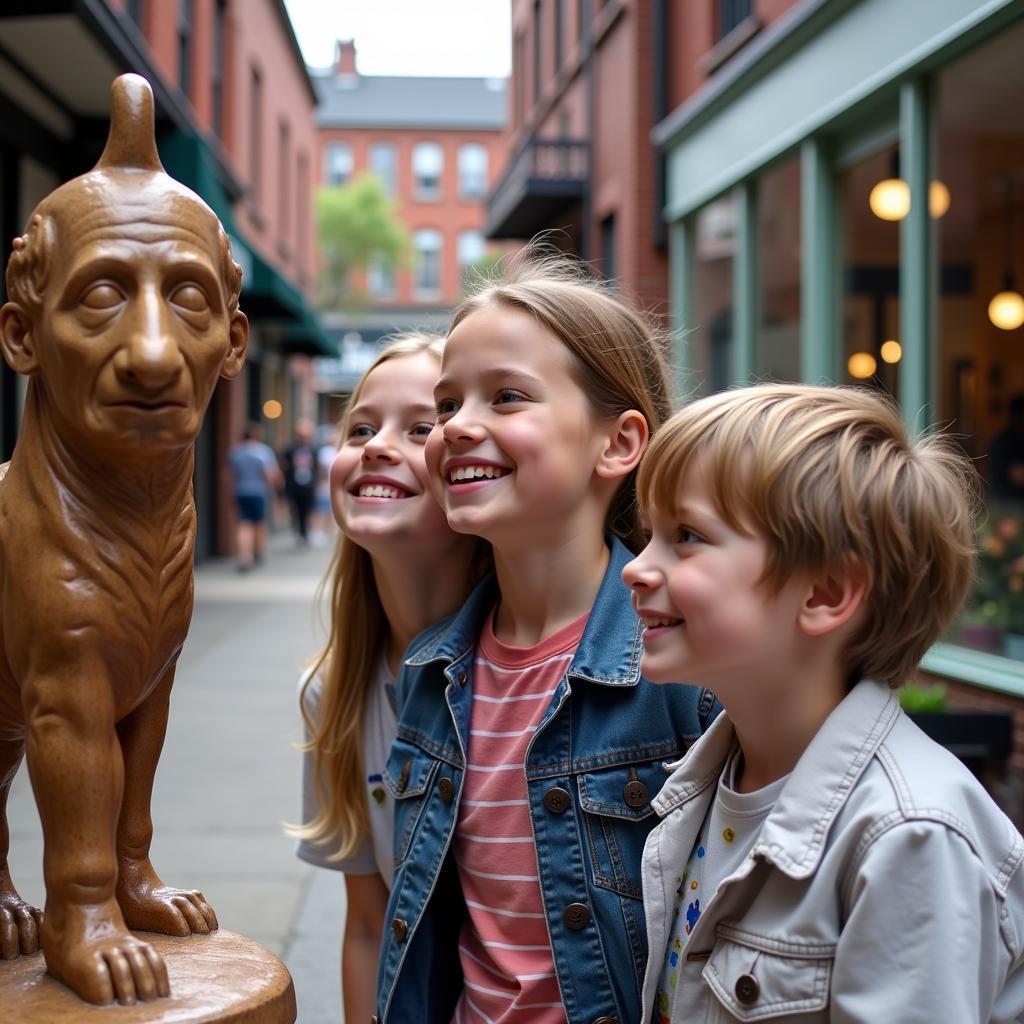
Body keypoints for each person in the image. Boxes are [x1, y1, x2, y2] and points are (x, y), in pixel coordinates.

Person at [374, 251, 718, 1024]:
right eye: (448, 402)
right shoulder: (431, 671)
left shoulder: (688, 667)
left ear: (618, 444)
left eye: (505, 397)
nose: (458, 426)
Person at [621, 383, 1024, 1024]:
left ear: (826, 593)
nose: (636, 568)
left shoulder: (911, 837)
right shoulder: (706, 783)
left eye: (687, 536)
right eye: (650, 535)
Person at [290, 334, 487, 1023]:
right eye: (361, 427)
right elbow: (370, 928)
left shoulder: (526, 670)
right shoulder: (332, 694)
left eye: (421, 428)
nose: (376, 445)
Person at [227, 422, 281, 571]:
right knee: (259, 523)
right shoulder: (264, 451)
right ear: (257, 436)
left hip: (241, 490)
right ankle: (258, 552)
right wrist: (273, 490)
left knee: (244, 524)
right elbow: (269, 474)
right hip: (259, 492)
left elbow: (230, 475)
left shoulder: (236, 452)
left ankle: (245, 557)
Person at [281, 418, 318, 545]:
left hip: (309, 485)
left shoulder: (313, 449)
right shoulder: (290, 449)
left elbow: (317, 467)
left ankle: (306, 533)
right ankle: (299, 533)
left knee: (307, 509)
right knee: (296, 510)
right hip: (294, 486)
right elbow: (284, 466)